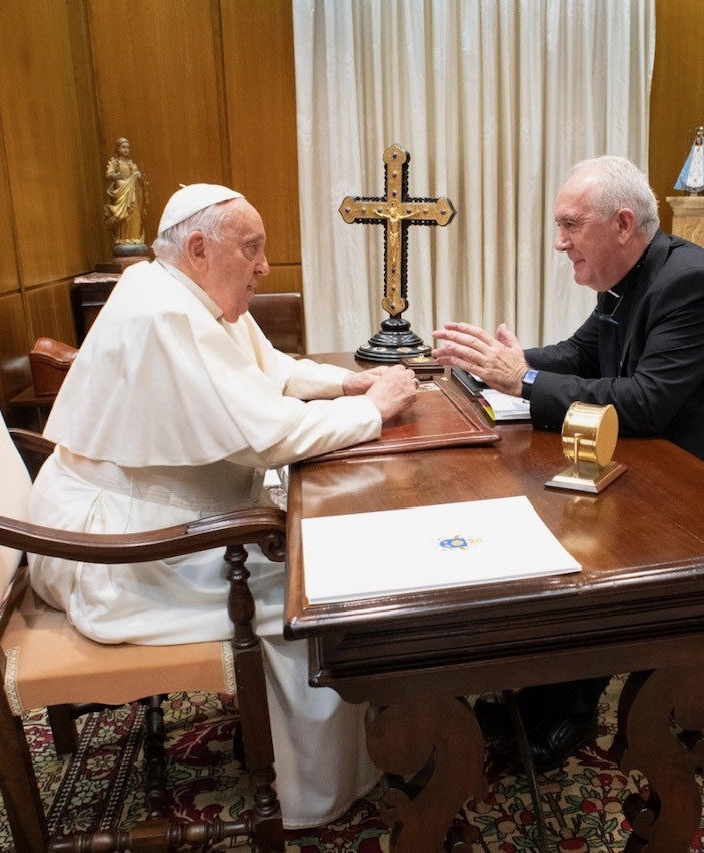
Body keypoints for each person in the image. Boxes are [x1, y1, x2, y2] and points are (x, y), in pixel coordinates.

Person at [28, 183, 418, 828]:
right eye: (253, 249)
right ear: (201, 247)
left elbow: (275, 372)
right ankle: (317, 794)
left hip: (161, 520)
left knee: (320, 553)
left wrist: (351, 382)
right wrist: (371, 410)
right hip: (126, 552)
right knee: (315, 596)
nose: (264, 266)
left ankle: (344, 742)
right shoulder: (165, 315)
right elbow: (270, 436)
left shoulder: (184, 293)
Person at [431, 154, 704, 769]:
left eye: (571, 225)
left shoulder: (688, 283)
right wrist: (498, 366)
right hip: (663, 456)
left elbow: (646, 403)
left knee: (590, 547)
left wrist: (522, 380)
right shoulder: (627, 279)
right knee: (555, 516)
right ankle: (542, 690)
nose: (558, 242)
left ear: (623, 224)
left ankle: (566, 709)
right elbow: (580, 353)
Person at [104, 137, 147, 252]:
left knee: (134, 214)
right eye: (123, 147)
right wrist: (115, 176)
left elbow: (138, 177)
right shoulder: (114, 162)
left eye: (128, 147)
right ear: (117, 149)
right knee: (124, 217)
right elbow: (108, 175)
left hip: (132, 193)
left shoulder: (131, 164)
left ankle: (134, 237)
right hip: (121, 191)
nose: (126, 150)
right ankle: (123, 238)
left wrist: (138, 176)